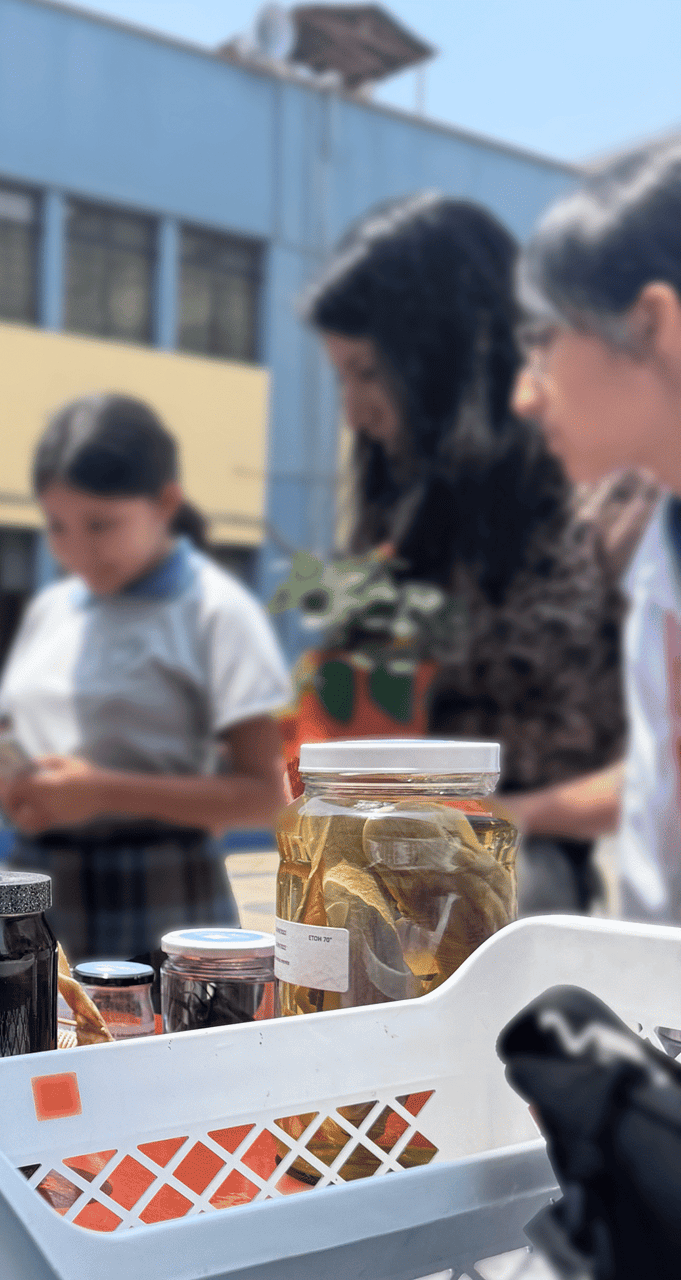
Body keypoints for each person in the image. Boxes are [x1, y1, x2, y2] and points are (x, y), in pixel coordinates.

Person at [305, 192, 629, 914]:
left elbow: (653, 773)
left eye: (367, 372)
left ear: (448, 359)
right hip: (382, 870)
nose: (353, 412)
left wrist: (501, 818)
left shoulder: (598, 502)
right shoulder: (403, 518)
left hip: (522, 888)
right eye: (340, 377)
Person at [0, 393, 290, 963]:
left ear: (165, 504)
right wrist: (14, 784)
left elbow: (265, 797)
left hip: (162, 895)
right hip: (38, 889)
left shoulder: (215, 612)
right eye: (58, 526)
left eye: (100, 525)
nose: (77, 550)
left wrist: (103, 792)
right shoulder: (52, 611)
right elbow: (9, 731)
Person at [510, 139, 681, 924]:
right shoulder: (660, 544)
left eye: (543, 341)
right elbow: (655, 776)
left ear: (652, 324)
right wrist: (514, 815)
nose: (525, 395)